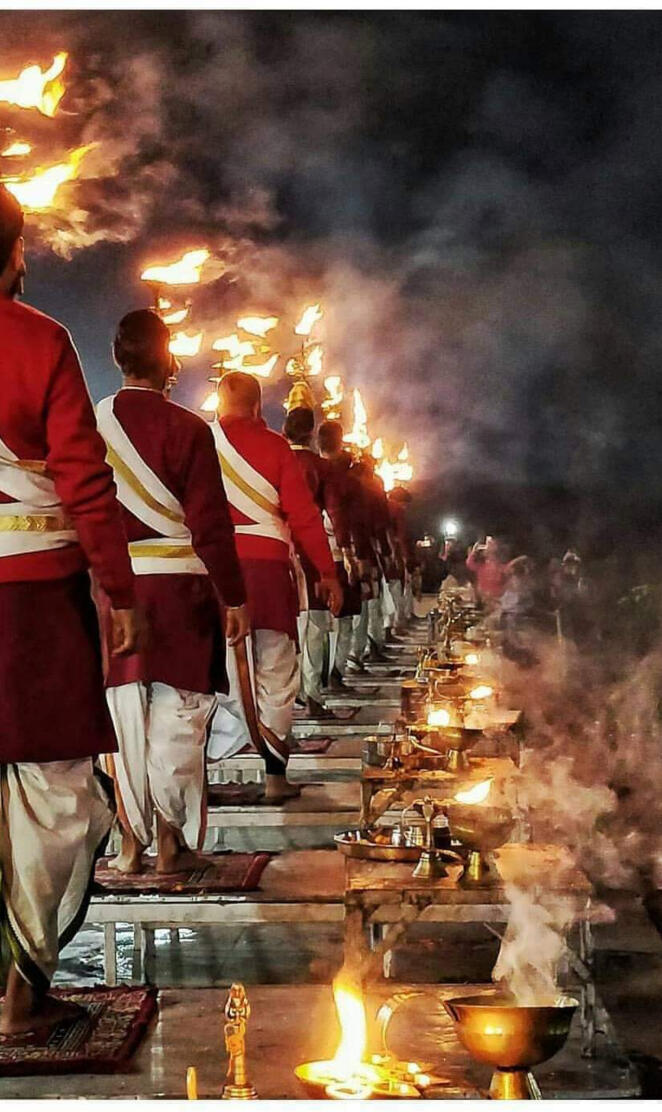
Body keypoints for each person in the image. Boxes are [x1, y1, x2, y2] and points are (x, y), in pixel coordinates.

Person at [0, 185, 138, 1036]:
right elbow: (84, 481)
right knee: (55, 794)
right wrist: (117, 591)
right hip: (36, 604)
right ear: (13, 252)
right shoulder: (41, 340)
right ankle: (21, 993)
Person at [96, 311, 249, 874]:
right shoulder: (190, 429)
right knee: (179, 717)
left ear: (118, 359)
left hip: (115, 594)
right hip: (183, 592)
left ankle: (129, 844)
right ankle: (168, 839)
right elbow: (211, 526)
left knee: (121, 721)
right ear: (168, 362)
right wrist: (233, 597)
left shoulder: (92, 426)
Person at [208, 373, 342, 802]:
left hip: (212, 569)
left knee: (219, 674)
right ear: (258, 405)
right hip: (267, 570)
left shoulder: (201, 440)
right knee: (276, 670)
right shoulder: (275, 447)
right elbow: (303, 516)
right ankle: (274, 778)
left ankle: (206, 769)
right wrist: (328, 572)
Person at [317, 419, 371, 688]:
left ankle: (315, 685)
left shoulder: (305, 469)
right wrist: (356, 558)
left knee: (317, 626)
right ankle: (335, 674)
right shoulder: (347, 482)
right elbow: (353, 522)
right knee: (344, 619)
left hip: (309, 557)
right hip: (338, 559)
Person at [467, 535, 508, 606]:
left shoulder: (501, 565)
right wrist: (473, 552)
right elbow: (470, 564)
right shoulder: (481, 564)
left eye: (490, 544)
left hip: (497, 603)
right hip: (484, 601)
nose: (486, 547)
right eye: (487, 544)